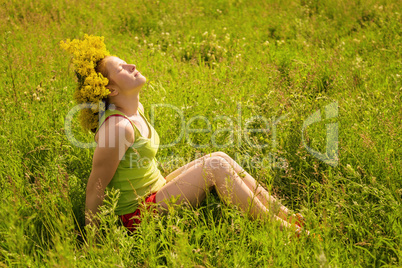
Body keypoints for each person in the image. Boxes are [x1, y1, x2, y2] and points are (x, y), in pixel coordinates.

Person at [61, 35, 306, 236]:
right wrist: (92, 240)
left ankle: (283, 213)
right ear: (111, 89)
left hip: (155, 191)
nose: (132, 66)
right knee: (215, 166)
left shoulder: (136, 111)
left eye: (126, 62)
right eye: (122, 69)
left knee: (219, 156)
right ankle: (284, 231)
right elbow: (95, 187)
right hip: (135, 215)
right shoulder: (118, 128)